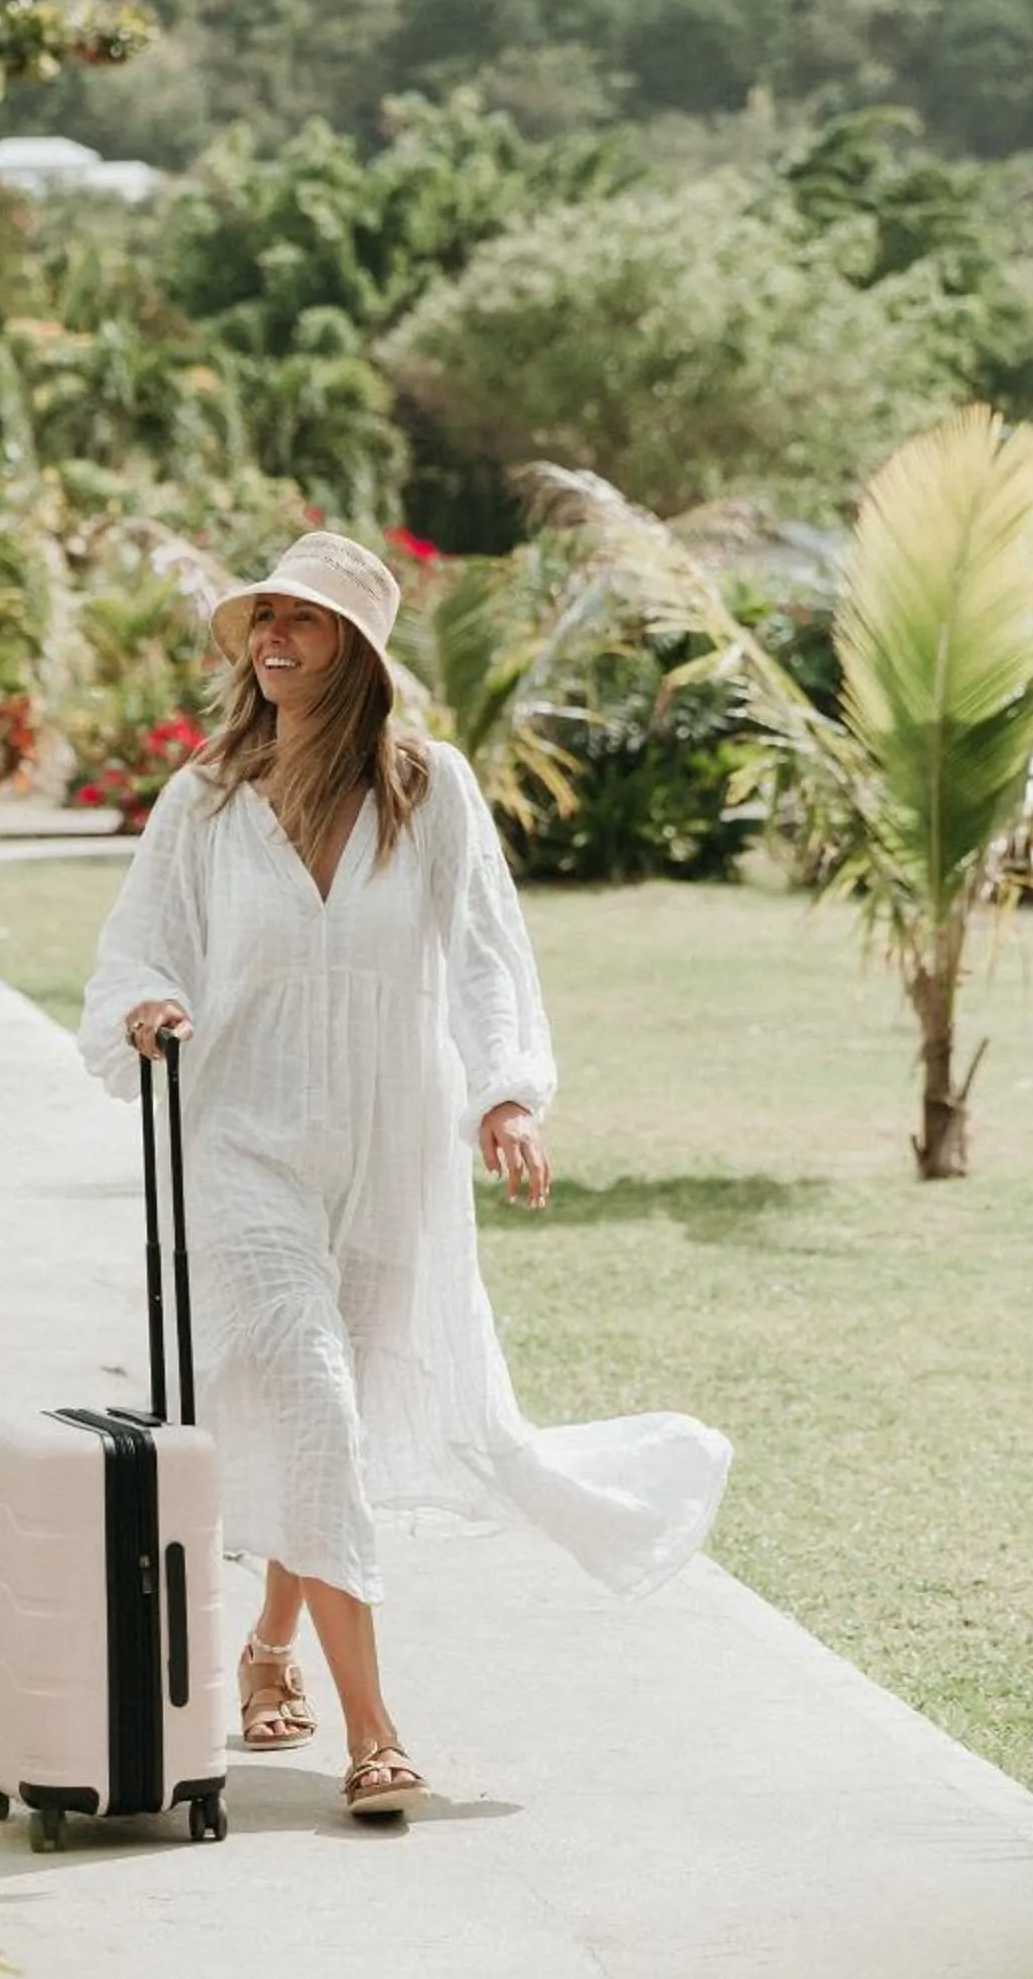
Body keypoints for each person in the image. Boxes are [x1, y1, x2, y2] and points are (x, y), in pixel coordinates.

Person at [78, 530, 730, 1822]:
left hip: (392, 1147)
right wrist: (149, 1006)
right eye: (263, 620)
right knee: (315, 1401)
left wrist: (507, 1093)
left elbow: (487, 951)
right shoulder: (203, 802)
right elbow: (136, 950)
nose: (273, 641)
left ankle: (268, 1650)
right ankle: (372, 1731)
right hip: (245, 1140)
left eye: (303, 624)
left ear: (357, 652)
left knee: (345, 1419)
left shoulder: (429, 791)